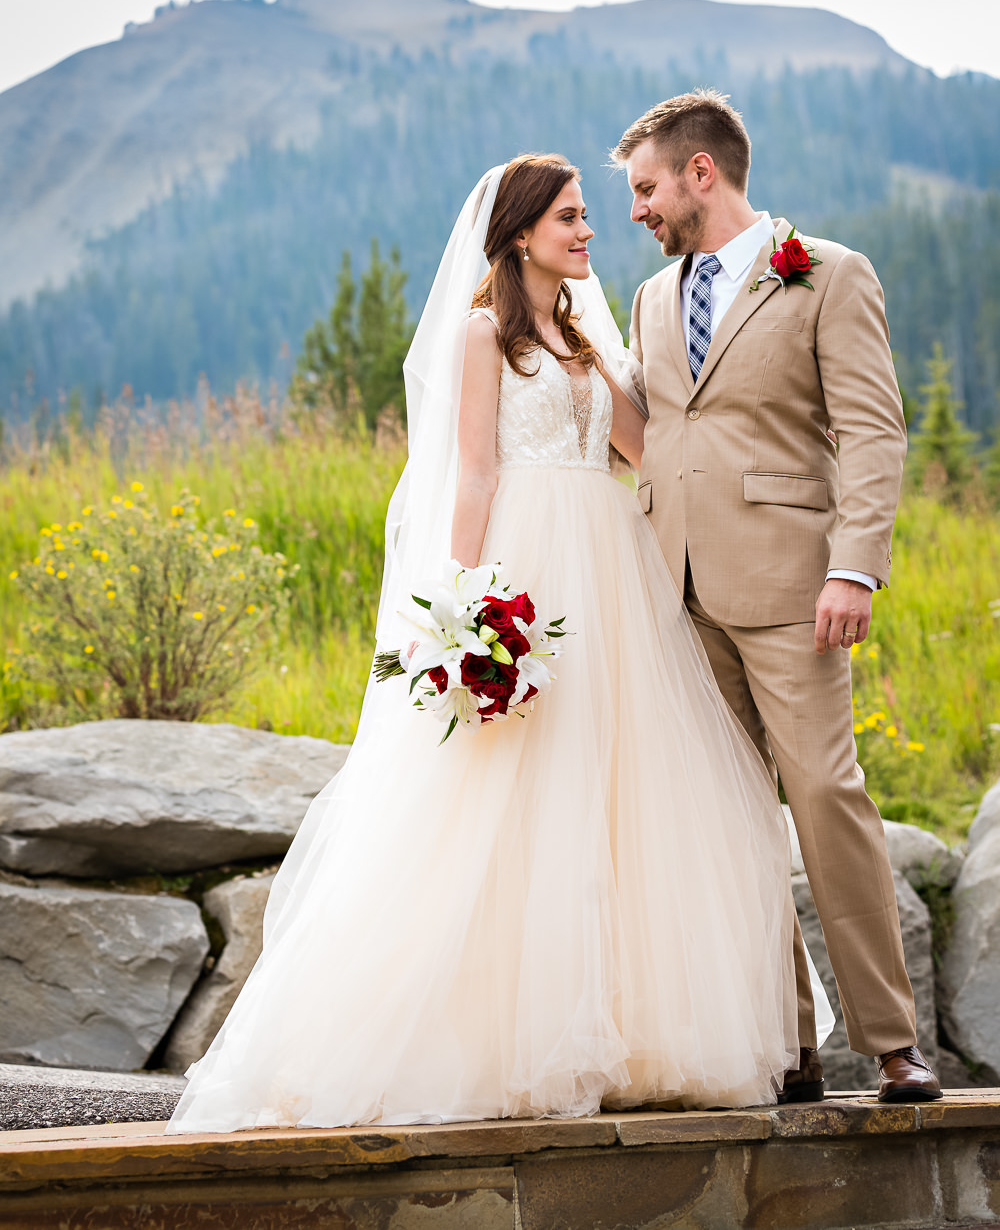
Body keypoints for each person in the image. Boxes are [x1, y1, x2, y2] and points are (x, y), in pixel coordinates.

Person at [167, 154, 806, 1134]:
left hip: (616, 576)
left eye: (589, 215)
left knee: (620, 789)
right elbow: (470, 473)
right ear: (516, 234)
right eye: (567, 218)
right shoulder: (482, 334)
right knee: (511, 797)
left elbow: (647, 445)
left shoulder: (591, 333)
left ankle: (637, 1033)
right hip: (529, 565)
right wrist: (462, 607)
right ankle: (497, 1039)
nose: (588, 230)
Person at [612, 91, 942, 1105]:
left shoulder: (828, 275)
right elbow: (652, 431)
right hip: (675, 593)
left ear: (699, 173)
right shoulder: (648, 300)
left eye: (644, 188)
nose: (635, 211)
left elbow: (873, 432)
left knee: (824, 801)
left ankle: (890, 1044)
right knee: (722, 819)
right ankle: (780, 1049)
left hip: (794, 592)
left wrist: (853, 566)